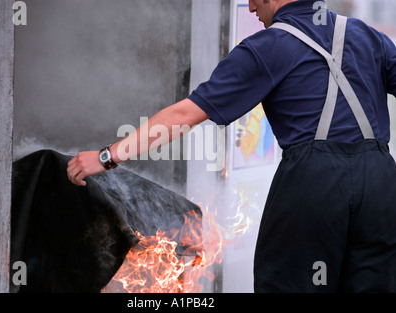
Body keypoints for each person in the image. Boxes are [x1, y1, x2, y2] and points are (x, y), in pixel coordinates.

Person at [67, 0, 396, 292]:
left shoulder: (268, 45)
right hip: (382, 184)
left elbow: (184, 114)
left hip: (316, 184)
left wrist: (107, 156)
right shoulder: (367, 36)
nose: (251, 8)